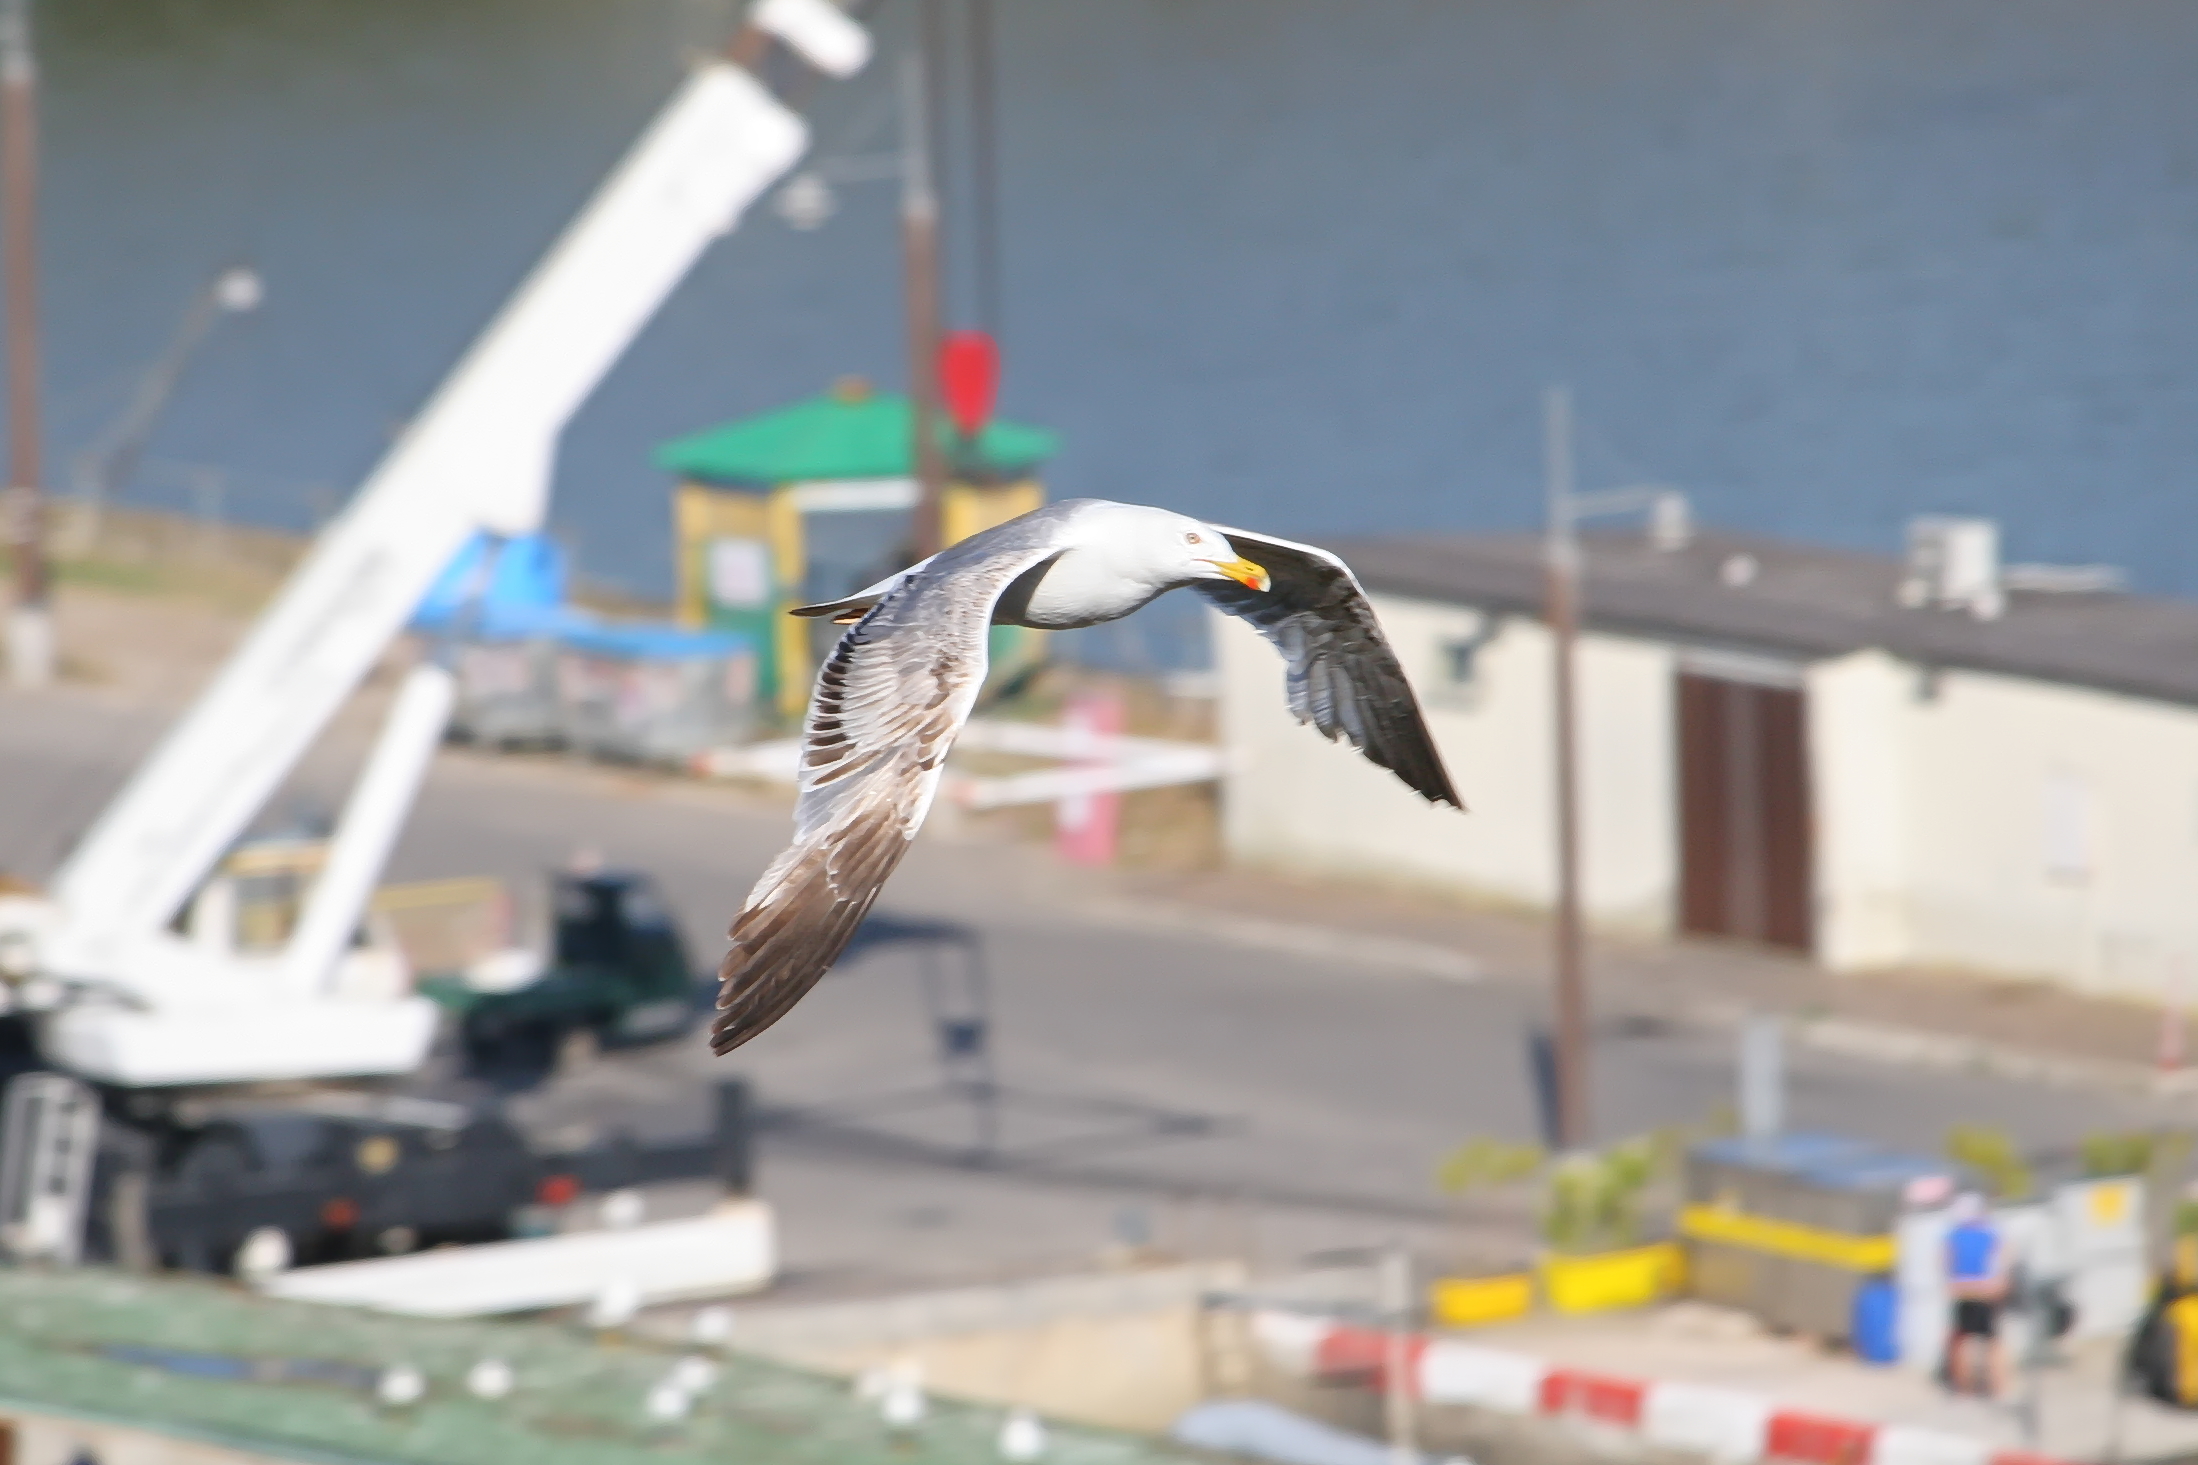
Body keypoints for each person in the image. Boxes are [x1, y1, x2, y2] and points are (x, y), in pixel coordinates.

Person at [1945, 1193, 2009, 1397]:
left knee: (1961, 1341)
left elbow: (1945, 1260)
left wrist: (1953, 1283)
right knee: (1993, 1342)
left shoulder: (1954, 1235)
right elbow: (2004, 1256)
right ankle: (1998, 1387)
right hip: (1985, 1290)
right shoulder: (1989, 1234)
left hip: (1963, 1290)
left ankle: (1964, 1389)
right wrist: (1998, 1282)